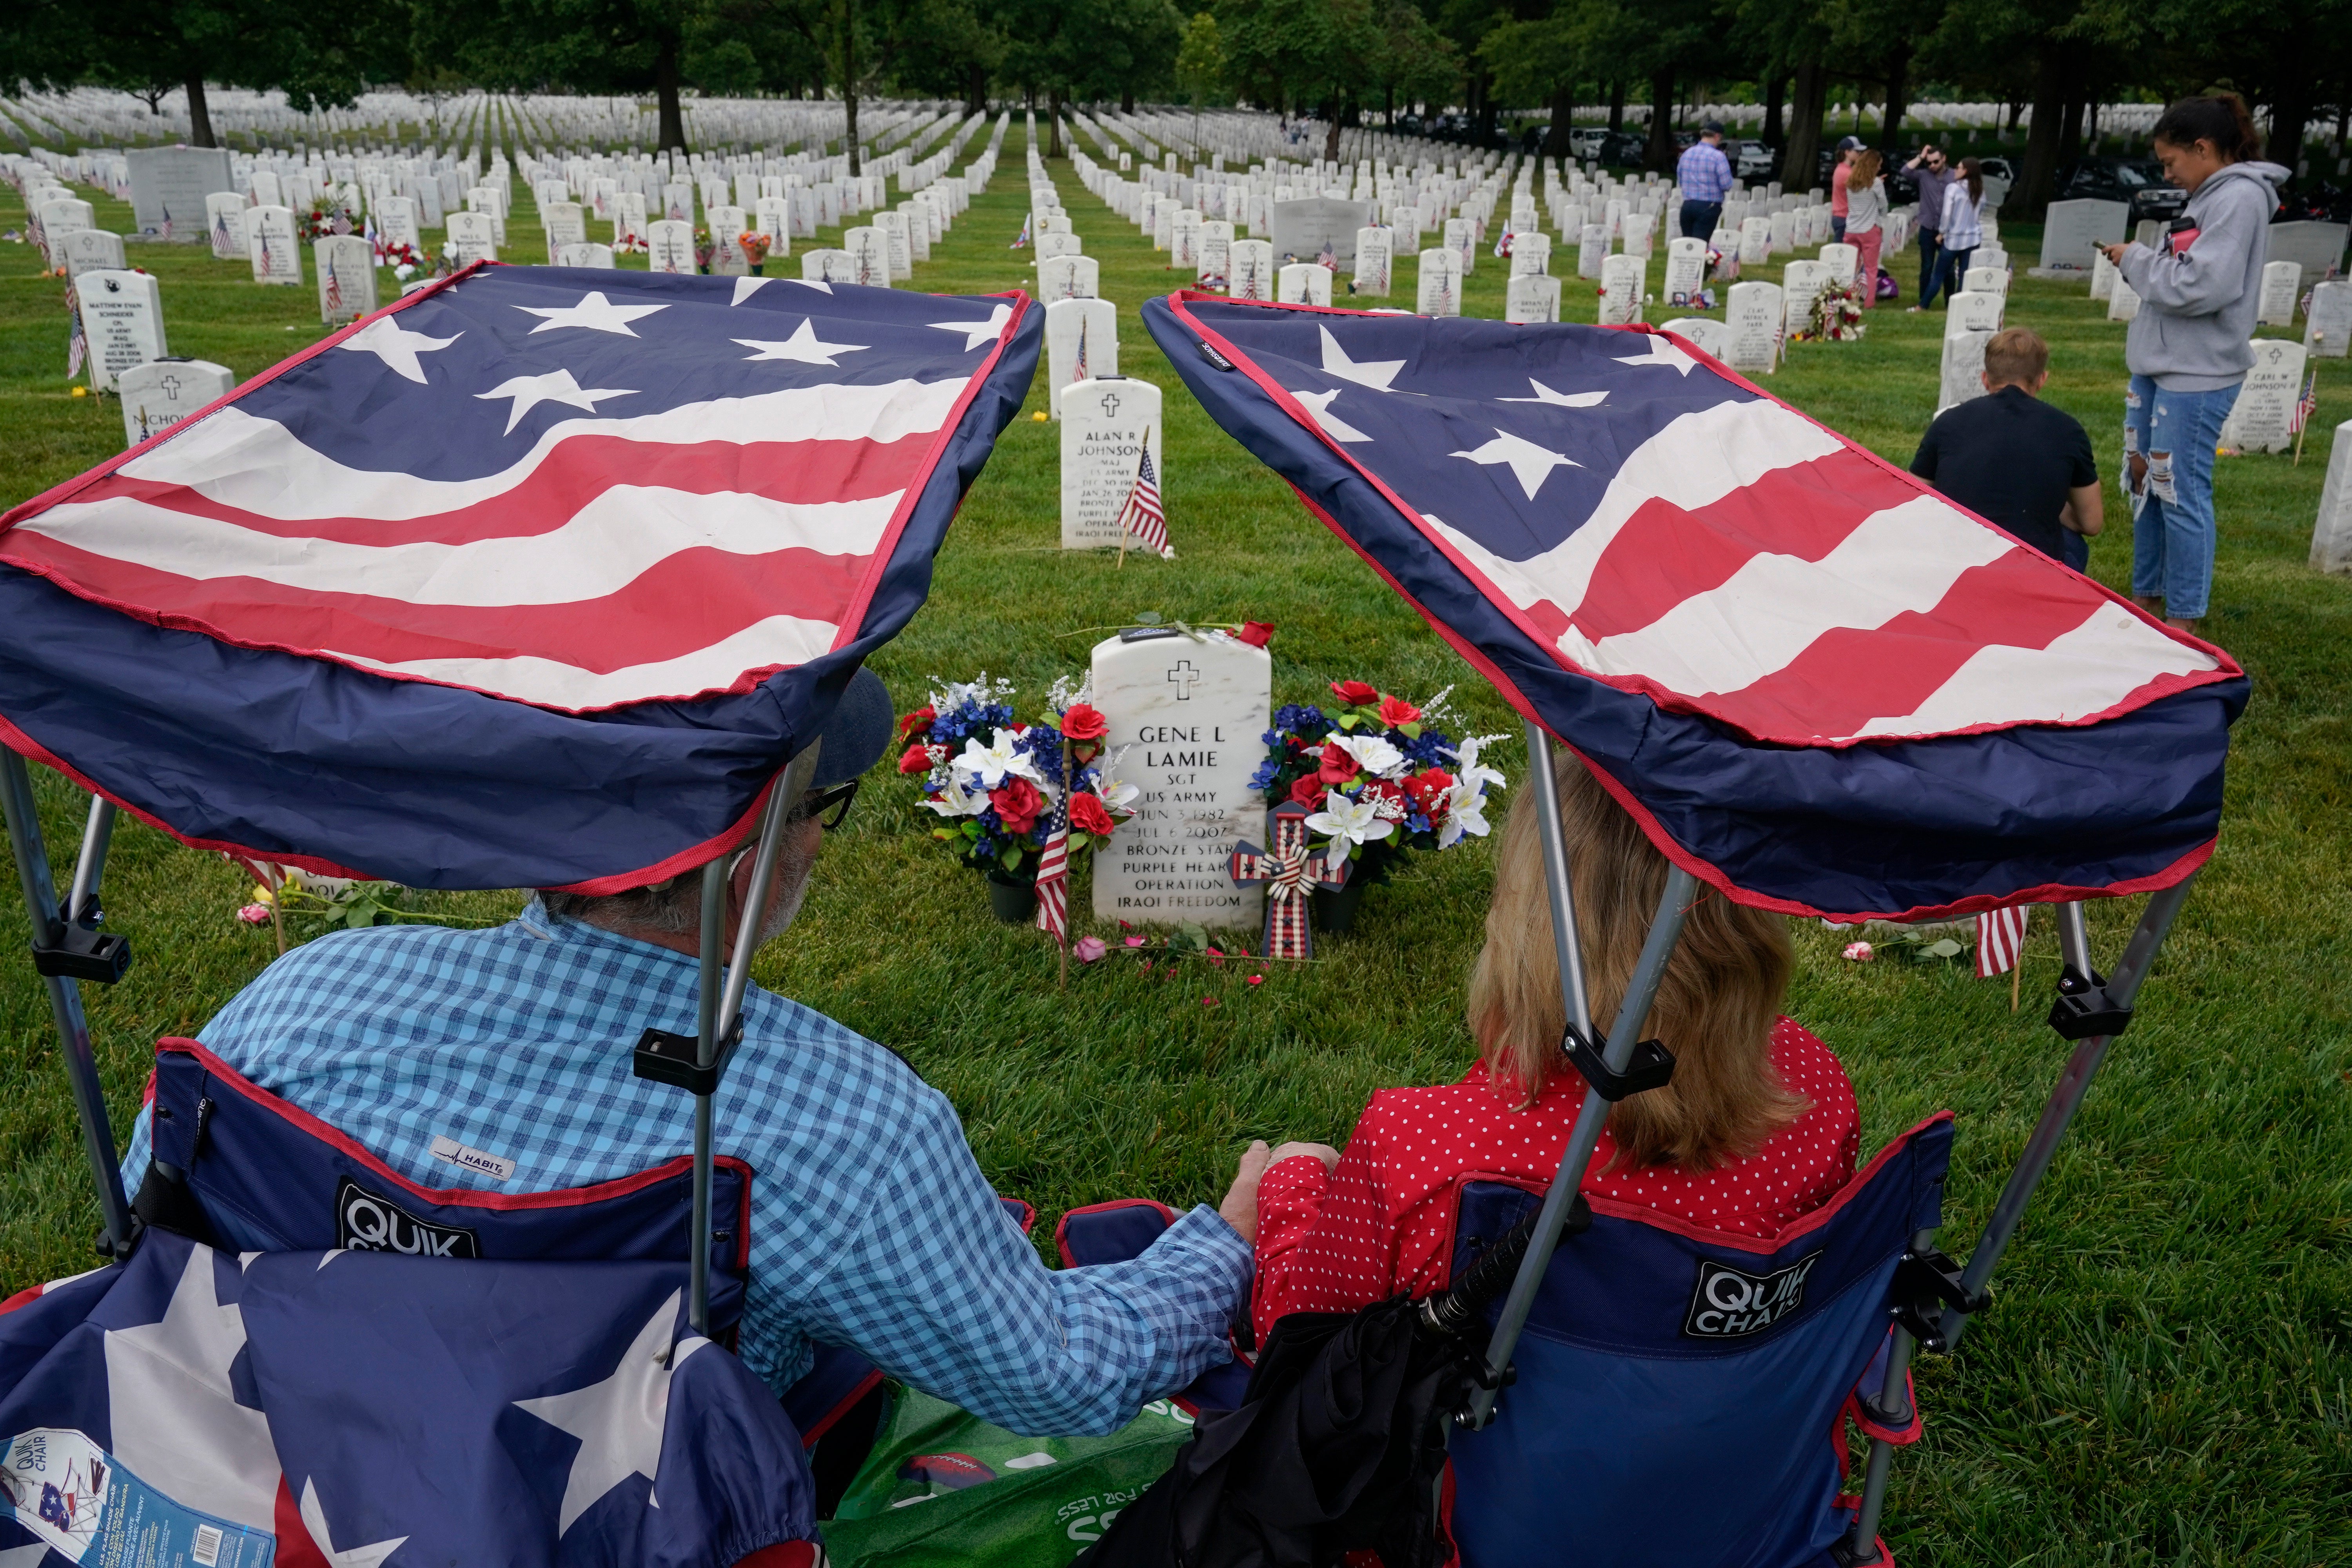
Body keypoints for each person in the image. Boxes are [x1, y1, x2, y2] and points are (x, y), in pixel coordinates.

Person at [118, 668, 1269, 1445]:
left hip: (304, 1460)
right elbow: (1054, 1376)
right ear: (743, 861)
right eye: (828, 803)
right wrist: (1219, 1246)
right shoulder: (840, 1123)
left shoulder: (296, 997)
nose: (823, 835)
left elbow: (151, 1223)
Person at [1248, 750, 1860, 1341]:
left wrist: (1288, 1182)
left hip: (1479, 1440)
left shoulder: (1422, 1147)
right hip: (1734, 1429)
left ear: (1532, 921)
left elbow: (1300, 1339)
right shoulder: (1814, 1082)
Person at [2095, 92, 2286, 633]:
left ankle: (2182, 621)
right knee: (2144, 481)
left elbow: (2204, 286)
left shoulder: (2240, 199)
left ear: (2202, 148)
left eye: (2170, 161)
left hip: (2198, 373)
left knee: (2177, 489)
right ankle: (2149, 601)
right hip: (2160, 365)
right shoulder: (2210, 197)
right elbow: (2187, 266)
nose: (2168, 173)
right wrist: (2145, 261)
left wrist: (2135, 259)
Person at [1911, 327, 2103, 568]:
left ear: (1985, 379)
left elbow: (1913, 497)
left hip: (1954, 561)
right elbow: (2092, 522)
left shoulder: (1948, 422)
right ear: (2042, 380)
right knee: (2074, 545)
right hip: (2032, 566)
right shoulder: (2068, 430)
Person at [1911, 155, 1983, 310]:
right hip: (1973, 239)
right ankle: (1958, 308)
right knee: (1964, 276)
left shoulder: (1953, 188)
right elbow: (1979, 214)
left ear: (1966, 171)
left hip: (1954, 239)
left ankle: (1922, 306)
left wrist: (1942, 233)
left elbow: (1946, 215)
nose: (1955, 170)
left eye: (1958, 168)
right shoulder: (1980, 191)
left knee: (1938, 274)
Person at [1905, 143, 1956, 303]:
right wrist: (1921, 157)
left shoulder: (1955, 176)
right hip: (1928, 227)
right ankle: (1923, 301)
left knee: (1948, 269)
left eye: (1936, 162)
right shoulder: (1923, 175)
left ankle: (1950, 302)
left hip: (1948, 229)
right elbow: (1905, 172)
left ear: (1944, 159)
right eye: (1929, 163)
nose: (1932, 166)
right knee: (1927, 267)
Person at [1676, 120, 1734, 245]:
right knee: (1700, 245)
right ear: (1717, 136)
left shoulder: (1687, 154)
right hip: (1709, 206)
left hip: (1688, 205)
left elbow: (1680, 179)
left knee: (1687, 245)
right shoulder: (1718, 157)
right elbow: (1727, 184)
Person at [1844, 147, 1886, 307]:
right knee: (1871, 268)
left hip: (1852, 229)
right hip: (1869, 229)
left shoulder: (1850, 181)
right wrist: (1880, 219)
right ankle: (1869, 302)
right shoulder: (1875, 183)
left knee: (1851, 268)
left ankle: (1849, 297)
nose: (1880, 168)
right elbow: (1884, 205)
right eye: (1879, 164)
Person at [1829, 135, 1862, 241]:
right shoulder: (1846, 172)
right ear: (1847, 153)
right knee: (1840, 252)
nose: (1859, 154)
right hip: (1844, 217)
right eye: (1857, 151)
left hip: (1842, 216)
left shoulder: (1844, 169)